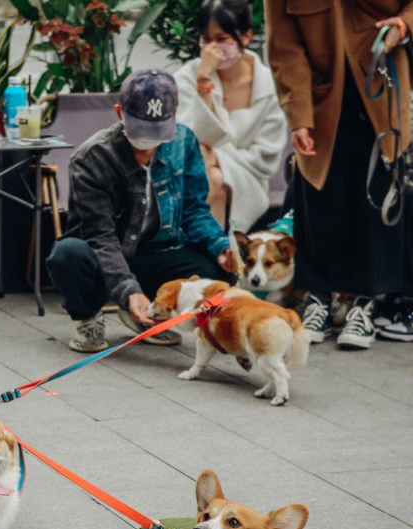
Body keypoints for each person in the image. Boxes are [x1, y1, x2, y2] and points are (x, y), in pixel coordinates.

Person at [46, 69, 237, 353]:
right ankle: (89, 317)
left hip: (158, 253)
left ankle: (152, 311)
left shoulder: (184, 142)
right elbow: (101, 237)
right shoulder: (92, 158)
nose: (148, 147)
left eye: (157, 134)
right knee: (66, 255)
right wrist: (128, 289)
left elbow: (194, 210)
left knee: (220, 269)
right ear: (119, 112)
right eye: (141, 134)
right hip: (108, 258)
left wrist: (221, 247)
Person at [266, 0, 413, 348]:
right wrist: (298, 116)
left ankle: (364, 301)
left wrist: (405, 24)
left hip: (382, 76)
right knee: (318, 191)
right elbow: (284, 46)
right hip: (320, 94)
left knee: (377, 193)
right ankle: (317, 296)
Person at [173, 0, 286, 233]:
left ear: (245, 36)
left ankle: (209, 258)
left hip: (249, 179)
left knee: (213, 175)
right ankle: (218, 257)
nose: (212, 49)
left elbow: (265, 160)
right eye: (206, 39)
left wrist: (218, 157)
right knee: (212, 177)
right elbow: (185, 143)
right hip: (193, 175)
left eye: (221, 39)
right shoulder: (188, 77)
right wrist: (203, 82)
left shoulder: (269, 85)